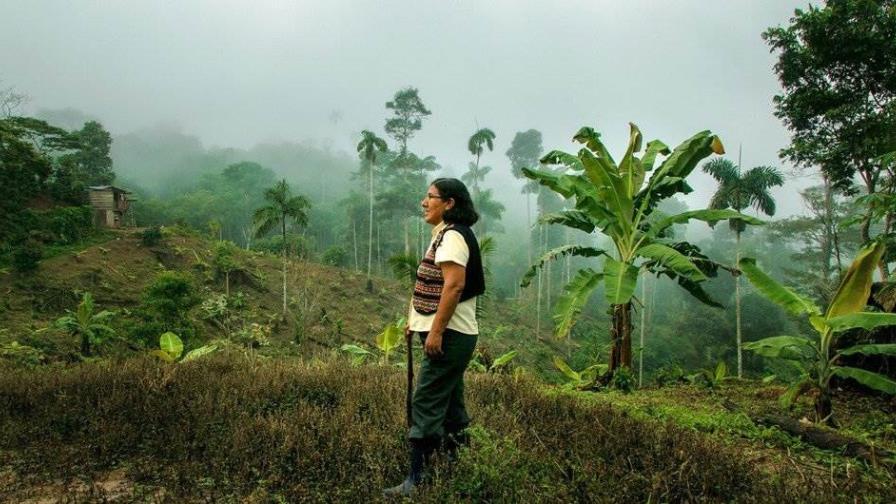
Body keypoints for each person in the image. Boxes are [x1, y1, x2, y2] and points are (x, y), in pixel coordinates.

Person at [383, 178, 485, 498]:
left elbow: (454, 287)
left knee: (425, 401)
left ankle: (417, 480)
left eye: (431, 197)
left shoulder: (453, 237)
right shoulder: (444, 234)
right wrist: (417, 321)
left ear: (450, 203)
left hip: (450, 336)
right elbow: (435, 287)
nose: (424, 203)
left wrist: (436, 331)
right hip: (452, 334)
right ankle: (456, 467)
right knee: (451, 404)